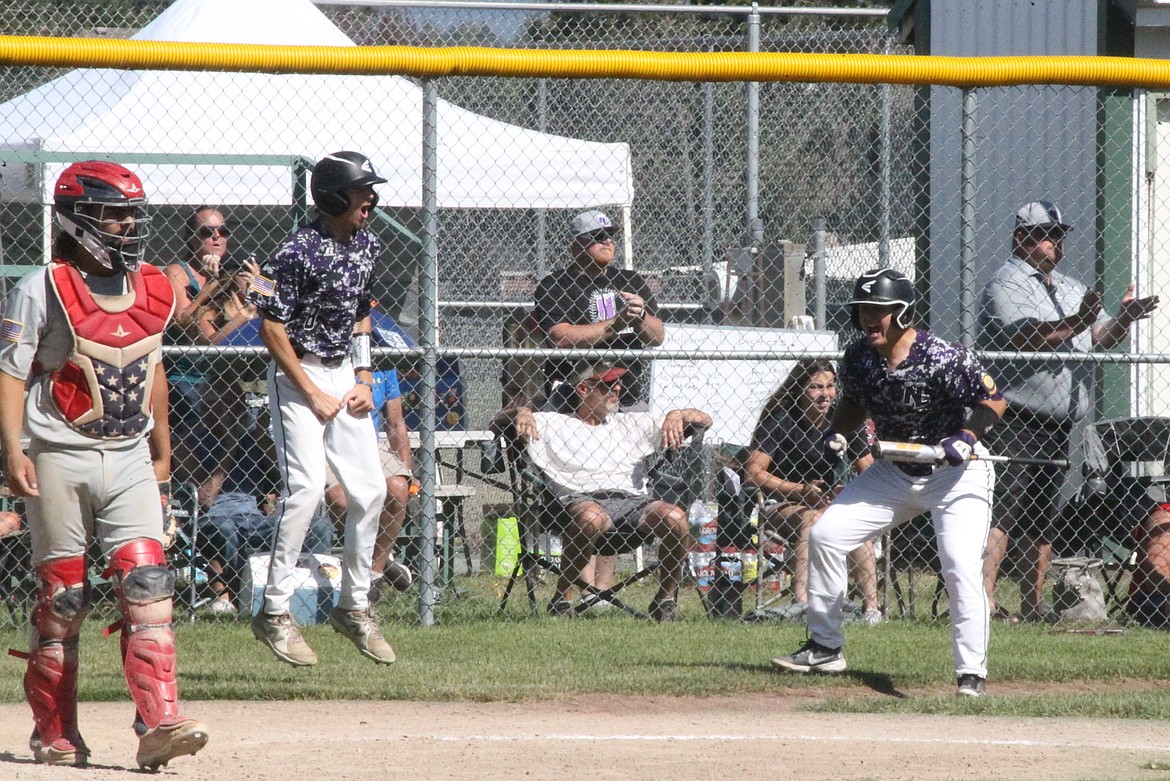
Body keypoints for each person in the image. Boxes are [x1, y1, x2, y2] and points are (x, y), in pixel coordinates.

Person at [0, 161, 209, 768]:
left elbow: (152, 367)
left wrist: (163, 448)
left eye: (130, 214)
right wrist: (12, 450)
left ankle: (159, 720)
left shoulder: (156, 286)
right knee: (64, 597)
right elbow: (12, 373)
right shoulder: (44, 285)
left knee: (148, 585)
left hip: (127, 455)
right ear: (75, 218)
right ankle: (54, 728)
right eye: (112, 214)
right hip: (58, 453)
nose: (126, 225)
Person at [771, 269, 1006, 698]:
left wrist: (967, 436)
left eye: (879, 311)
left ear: (903, 313)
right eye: (863, 310)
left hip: (957, 473)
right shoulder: (859, 356)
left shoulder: (941, 356)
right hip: (896, 470)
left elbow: (994, 399)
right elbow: (853, 403)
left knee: (958, 564)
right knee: (825, 534)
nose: (868, 319)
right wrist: (837, 432)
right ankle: (825, 646)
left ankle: (971, 675)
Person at [246, 151, 394, 668]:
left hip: (341, 375)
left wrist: (363, 376)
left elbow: (361, 315)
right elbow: (269, 327)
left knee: (372, 490)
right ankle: (274, 609)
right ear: (332, 196)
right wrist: (310, 391)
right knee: (306, 487)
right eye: (361, 191)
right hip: (296, 376)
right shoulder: (294, 251)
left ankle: (353, 606)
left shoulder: (368, 244)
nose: (370, 198)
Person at [979, 201, 1160, 620]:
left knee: (1042, 517)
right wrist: (1079, 322)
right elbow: (1030, 338)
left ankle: (1034, 606)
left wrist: (1125, 319)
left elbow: (1101, 335)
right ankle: (982, 601)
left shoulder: (1071, 287)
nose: (1056, 242)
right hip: (1015, 417)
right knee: (1002, 512)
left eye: (1060, 235)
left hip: (1061, 422)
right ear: (1022, 238)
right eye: (1047, 234)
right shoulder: (1005, 284)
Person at [496, 360, 712, 622]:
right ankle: (562, 598)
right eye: (608, 385)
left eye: (619, 383)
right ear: (584, 390)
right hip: (574, 502)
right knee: (592, 516)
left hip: (631, 502)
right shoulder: (552, 423)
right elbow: (495, 422)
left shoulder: (630, 423)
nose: (618, 389)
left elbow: (705, 420)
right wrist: (520, 412)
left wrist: (678, 413)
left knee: (675, 517)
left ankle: (664, 599)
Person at [533, 210, 666, 603]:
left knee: (621, 480)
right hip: (575, 393)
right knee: (584, 482)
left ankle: (602, 589)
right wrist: (611, 328)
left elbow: (657, 336)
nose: (607, 241)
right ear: (576, 246)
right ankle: (579, 584)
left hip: (626, 393)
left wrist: (640, 317)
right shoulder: (556, 284)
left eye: (610, 235)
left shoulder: (630, 282)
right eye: (597, 236)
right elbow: (560, 336)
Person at [742, 358, 881, 624]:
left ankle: (871, 609)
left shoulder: (842, 420)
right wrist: (800, 491)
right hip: (780, 503)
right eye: (816, 387)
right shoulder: (781, 419)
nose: (825, 394)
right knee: (811, 520)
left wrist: (849, 490)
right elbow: (752, 472)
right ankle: (802, 605)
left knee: (855, 523)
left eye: (830, 386)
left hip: (828, 502)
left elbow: (868, 468)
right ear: (800, 389)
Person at [162, 207, 261, 507]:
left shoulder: (234, 271)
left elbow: (272, 299)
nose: (216, 237)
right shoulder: (177, 272)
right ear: (191, 238)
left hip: (224, 377)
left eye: (222, 231)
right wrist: (215, 289)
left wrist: (257, 284)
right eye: (207, 231)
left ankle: (247, 493)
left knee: (246, 421)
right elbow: (189, 325)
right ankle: (201, 492)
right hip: (186, 376)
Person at [324, 367, 415, 600]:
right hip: (326, 446)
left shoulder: (385, 365)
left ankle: (373, 576)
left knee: (398, 488)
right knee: (342, 501)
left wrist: (407, 471)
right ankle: (381, 557)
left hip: (368, 446)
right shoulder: (329, 355)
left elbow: (395, 423)